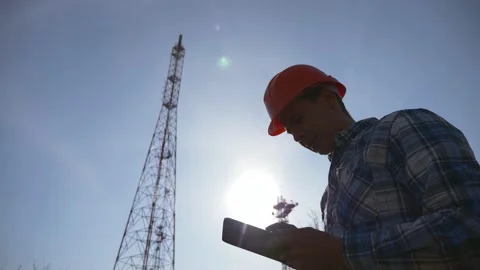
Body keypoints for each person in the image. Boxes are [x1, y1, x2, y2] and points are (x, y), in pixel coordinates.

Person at [263, 64, 480, 269]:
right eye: (291, 133)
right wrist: (308, 251)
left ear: (329, 100)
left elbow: (469, 222)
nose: (297, 137)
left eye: (299, 120)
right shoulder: (327, 198)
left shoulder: (401, 127)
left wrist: (342, 253)